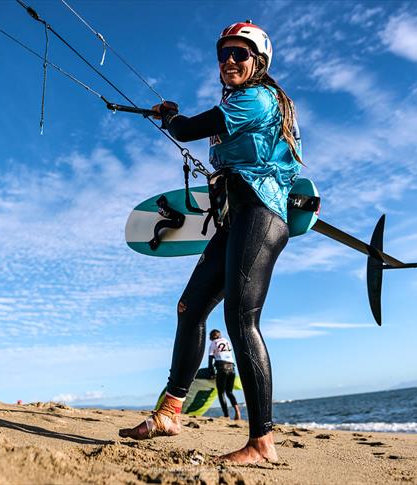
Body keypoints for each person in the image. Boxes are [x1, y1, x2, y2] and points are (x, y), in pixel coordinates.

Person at [119, 20, 302, 464]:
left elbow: (188, 129)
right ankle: (170, 412)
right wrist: (174, 120)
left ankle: (262, 443)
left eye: (240, 54)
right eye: (224, 54)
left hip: (262, 216)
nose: (230, 61)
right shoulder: (240, 103)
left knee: (241, 320)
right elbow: (197, 132)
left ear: (258, 61)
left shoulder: (258, 98)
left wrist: (171, 118)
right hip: (235, 219)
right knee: (190, 307)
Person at [207, 329, 242, 420]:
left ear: (212, 336)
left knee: (221, 392)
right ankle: (237, 410)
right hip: (232, 368)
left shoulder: (213, 343)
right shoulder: (227, 341)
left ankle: (226, 415)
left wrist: (211, 372)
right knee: (229, 392)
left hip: (222, 368)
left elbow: (210, 359)